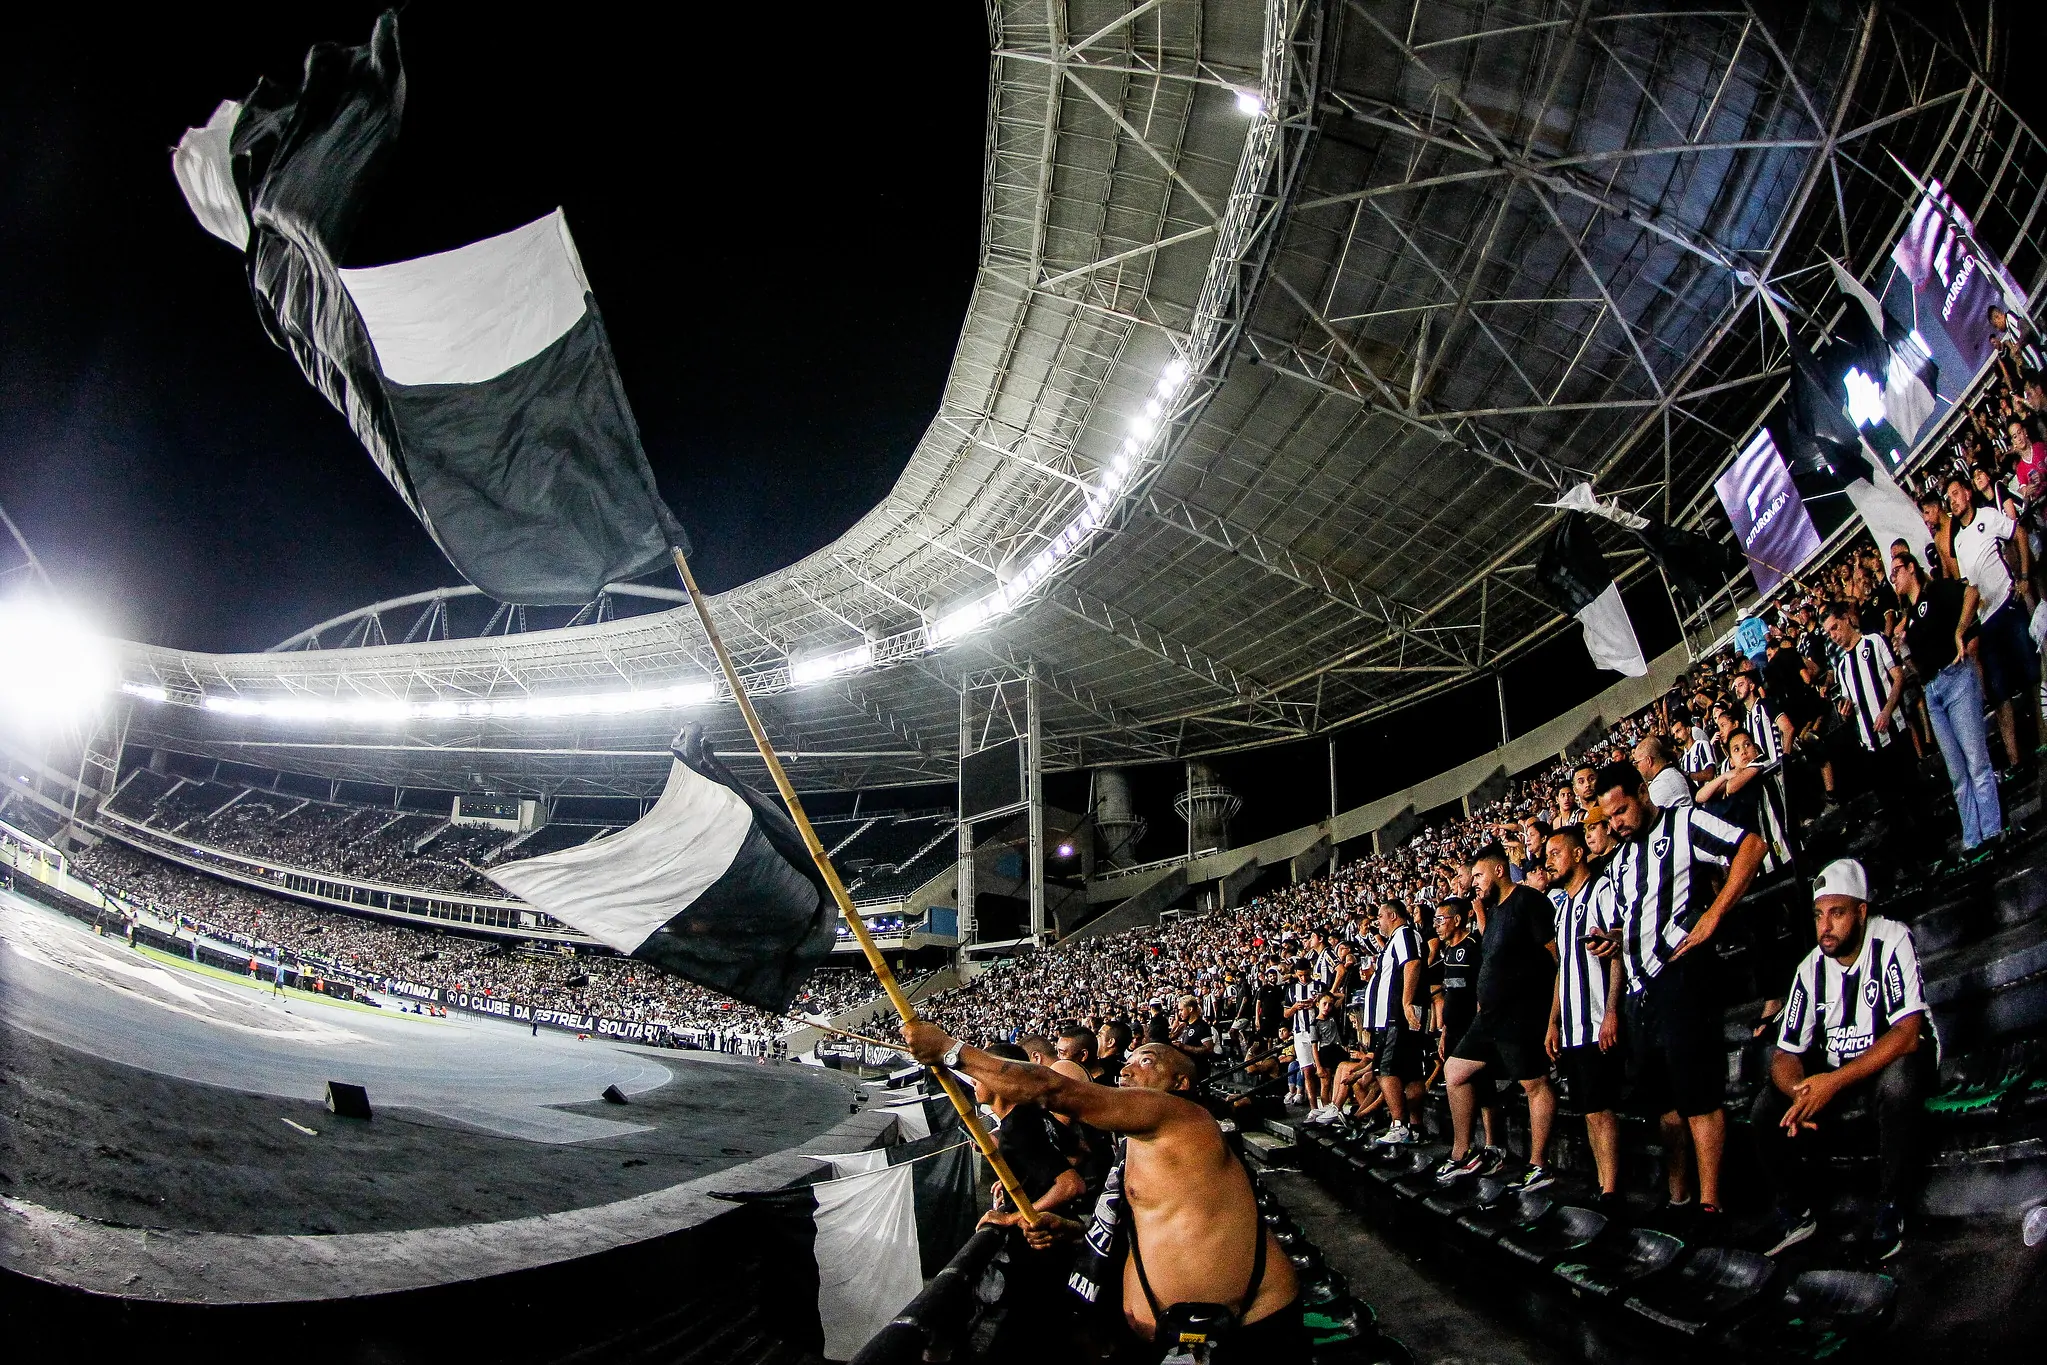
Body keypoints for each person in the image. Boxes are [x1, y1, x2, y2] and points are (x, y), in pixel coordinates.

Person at [901, 1026, 1306, 1360]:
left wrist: (951, 1050)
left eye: (1147, 1060)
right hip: (1170, 1338)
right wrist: (1073, 1229)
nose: (1128, 1068)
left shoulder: (1180, 1114)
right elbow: (1150, 1226)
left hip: (1241, 1334)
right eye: (1130, 1059)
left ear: (1181, 1082)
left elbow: (1053, 1090)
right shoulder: (1140, 1142)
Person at [1592, 761, 1765, 1235]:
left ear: (1643, 794)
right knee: (1664, 1106)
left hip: (1682, 977)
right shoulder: (1623, 859)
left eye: (1622, 810)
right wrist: (1615, 940)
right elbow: (1636, 918)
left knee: (1698, 1095)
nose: (1617, 824)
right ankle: (1679, 1199)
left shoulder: (1683, 822)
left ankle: (1710, 1204)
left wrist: (1713, 917)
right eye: (1609, 819)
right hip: (1640, 990)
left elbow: (1750, 846)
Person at [1753, 860, 1934, 1261]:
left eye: (1837, 913)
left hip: (1892, 1064)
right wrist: (1800, 1092)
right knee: (1767, 1106)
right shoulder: (1810, 967)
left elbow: (1907, 1035)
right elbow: (1785, 1054)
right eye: (1819, 915)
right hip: (1841, 1073)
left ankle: (1893, 1208)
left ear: (1861, 911)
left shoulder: (1891, 938)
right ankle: (1797, 1213)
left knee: (1899, 1080)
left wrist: (1831, 1084)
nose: (1826, 927)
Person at [1434, 845, 1558, 1189]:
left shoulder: (1529, 901)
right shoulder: (1496, 910)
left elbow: (1554, 957)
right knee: (1454, 1071)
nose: (1473, 882)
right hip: (1489, 1016)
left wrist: (1551, 1015)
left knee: (1535, 1083)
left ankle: (1539, 1164)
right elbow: (1492, 956)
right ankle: (1463, 1154)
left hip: (1520, 1012)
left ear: (1499, 871)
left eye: (1478, 875)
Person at [1890, 551, 2002, 855]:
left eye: (1897, 571)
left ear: (1911, 568)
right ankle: (1972, 837)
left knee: (1976, 759)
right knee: (1956, 771)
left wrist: (1959, 631)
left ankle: (1991, 829)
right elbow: (1916, 667)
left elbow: (1971, 592)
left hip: (1955, 676)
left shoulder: (1935, 591)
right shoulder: (1909, 618)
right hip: (1933, 688)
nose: (1894, 579)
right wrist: (1905, 654)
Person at [1542, 826, 1625, 1209]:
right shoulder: (1562, 909)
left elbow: (1617, 952)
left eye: (1555, 853)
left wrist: (1610, 1011)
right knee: (1589, 1109)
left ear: (1577, 854)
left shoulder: (1602, 891)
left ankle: (1611, 1189)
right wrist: (1553, 1021)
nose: (1548, 861)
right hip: (1572, 1025)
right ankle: (1601, 1181)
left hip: (1596, 1019)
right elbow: (1561, 969)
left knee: (1600, 1109)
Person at [1947, 473, 2040, 775]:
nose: (1953, 500)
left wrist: (2024, 577)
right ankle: (2016, 761)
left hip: (2008, 607)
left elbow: (2020, 533)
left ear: (1968, 494)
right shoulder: (1958, 541)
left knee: (2032, 676)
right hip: (1986, 624)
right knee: (1999, 694)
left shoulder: (1988, 516)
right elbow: (1968, 585)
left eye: (1956, 493)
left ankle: (2044, 742)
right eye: (1949, 496)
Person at [1431, 897, 1500, 1166]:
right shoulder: (1448, 951)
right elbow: (1450, 993)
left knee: (1485, 1088)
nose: (1436, 926)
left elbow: (1481, 989)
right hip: (1454, 1030)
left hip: (1475, 1028)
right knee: (1463, 1085)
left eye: (1441, 920)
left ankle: (1491, 1146)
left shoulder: (1473, 947)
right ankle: (1469, 1147)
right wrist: (1445, 1031)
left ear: (1457, 920)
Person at [1355, 901, 1425, 1141]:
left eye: (1381, 917)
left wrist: (1406, 1003)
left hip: (1395, 1016)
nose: (1379, 922)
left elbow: (1413, 965)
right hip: (1392, 1016)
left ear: (1393, 916)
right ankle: (1415, 1127)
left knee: (1386, 1070)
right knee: (1410, 1073)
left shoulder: (1404, 934)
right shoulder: (1395, 939)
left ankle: (1399, 1124)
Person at [1633, 734, 1693, 810]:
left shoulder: (1663, 783)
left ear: (1649, 761)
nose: (1637, 768)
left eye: (1637, 763)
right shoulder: (1667, 775)